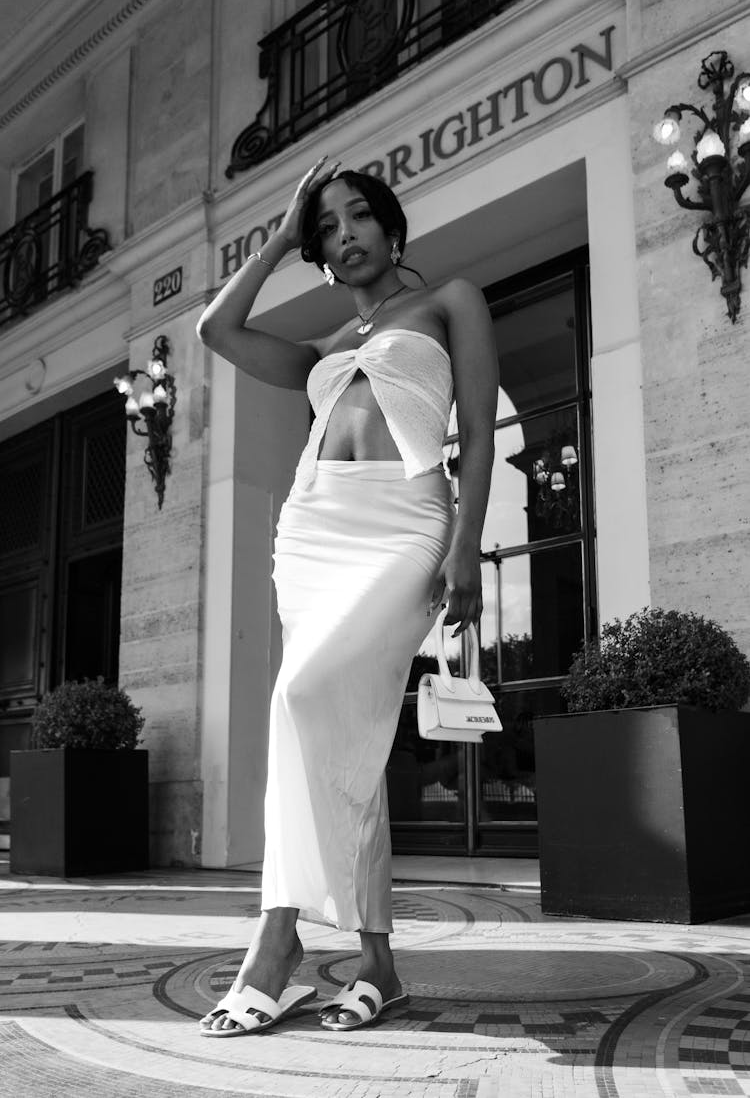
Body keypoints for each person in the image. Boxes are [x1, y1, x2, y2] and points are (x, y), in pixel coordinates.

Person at [196, 157, 498, 1035]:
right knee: (350, 739)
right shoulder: (325, 350)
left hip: (406, 525)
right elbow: (218, 329)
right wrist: (278, 237)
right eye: (326, 228)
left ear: (392, 228)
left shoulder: (452, 301)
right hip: (314, 531)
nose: (345, 235)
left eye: (357, 217)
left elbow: (477, 432)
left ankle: (276, 943)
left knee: (302, 697)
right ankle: (378, 963)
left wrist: (466, 549)